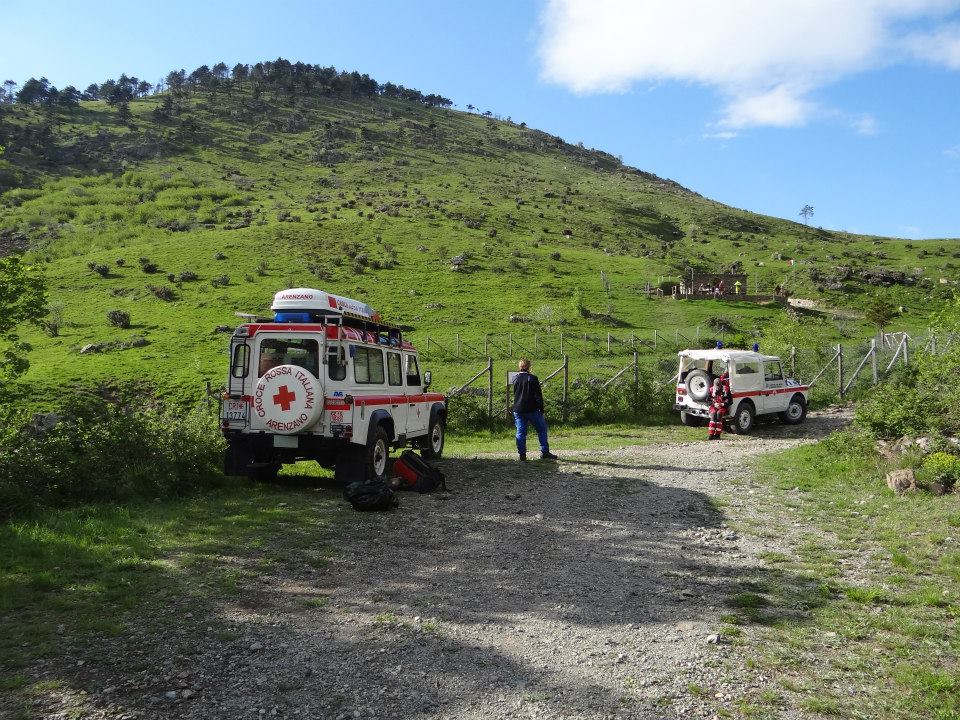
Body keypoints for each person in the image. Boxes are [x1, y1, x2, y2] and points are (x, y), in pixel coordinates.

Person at [512, 358, 558, 461]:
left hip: (518, 409)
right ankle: (544, 452)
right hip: (531, 409)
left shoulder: (515, 378)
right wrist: (541, 409)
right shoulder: (532, 378)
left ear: (519, 367)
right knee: (541, 429)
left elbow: (515, 394)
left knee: (520, 432)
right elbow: (538, 395)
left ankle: (522, 455)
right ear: (529, 367)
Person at [707, 373, 732, 440]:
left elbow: (730, 401)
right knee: (713, 415)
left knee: (719, 415)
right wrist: (714, 404)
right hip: (714, 406)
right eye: (716, 387)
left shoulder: (726, 389)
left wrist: (722, 404)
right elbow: (708, 400)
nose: (717, 388)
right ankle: (711, 434)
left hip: (722, 406)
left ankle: (717, 435)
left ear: (721, 385)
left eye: (719, 387)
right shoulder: (711, 389)